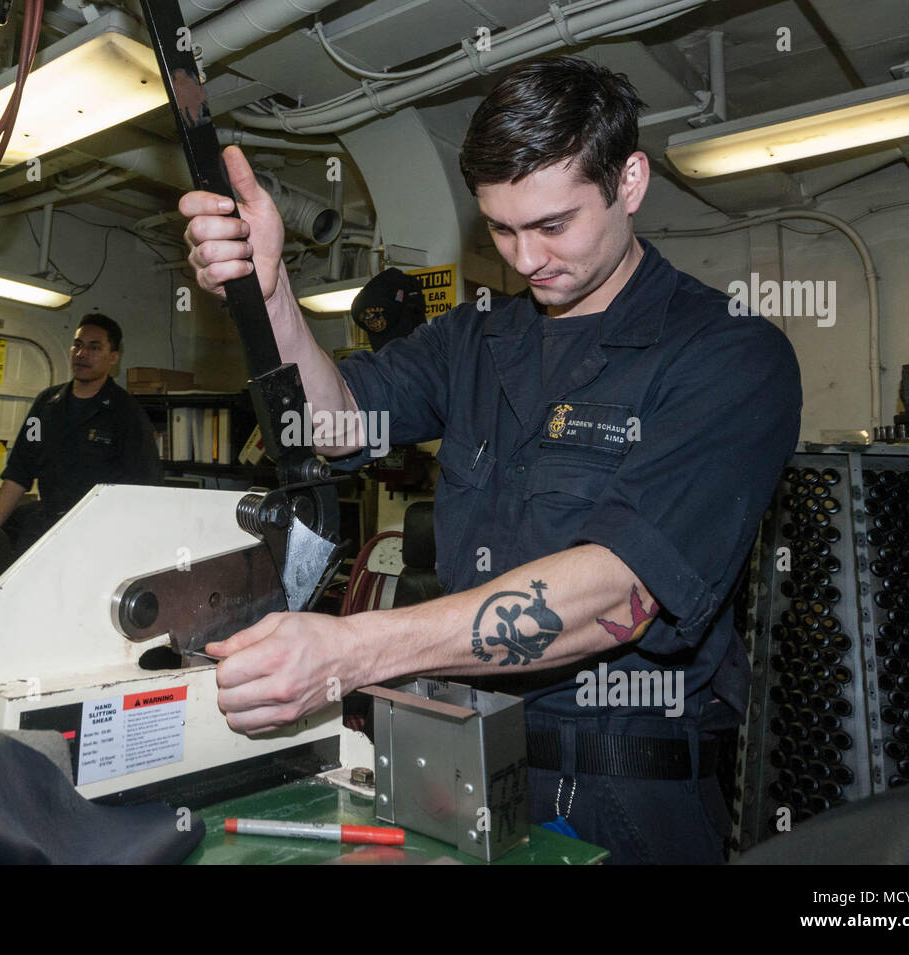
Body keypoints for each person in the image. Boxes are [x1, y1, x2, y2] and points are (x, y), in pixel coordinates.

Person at [179, 56, 802, 863]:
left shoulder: (729, 355)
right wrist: (270, 298)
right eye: (502, 229)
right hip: (462, 764)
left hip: (626, 791)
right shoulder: (476, 339)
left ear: (632, 181)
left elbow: (621, 586)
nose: (527, 259)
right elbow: (324, 423)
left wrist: (356, 648)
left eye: (553, 225)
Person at [0, 313, 162, 551]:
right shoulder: (46, 404)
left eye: (94, 347)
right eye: (78, 345)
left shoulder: (127, 413)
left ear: (114, 357)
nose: (82, 354)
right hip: (45, 527)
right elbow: (19, 470)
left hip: (97, 535)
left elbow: (145, 488)